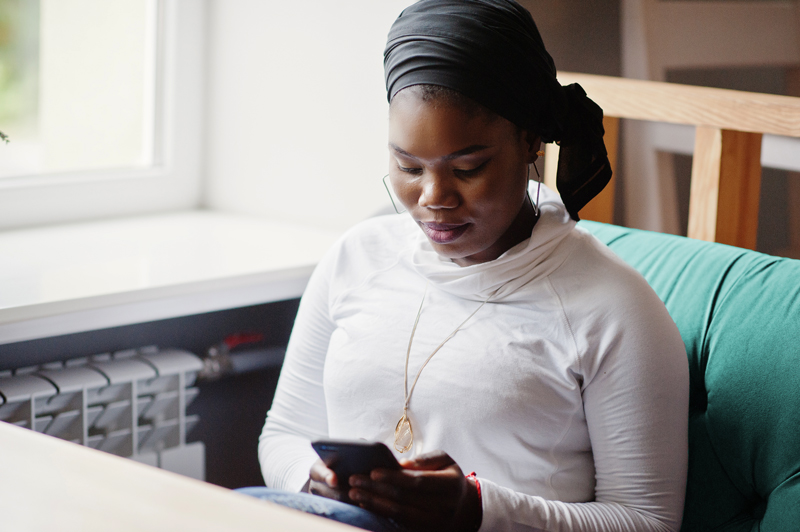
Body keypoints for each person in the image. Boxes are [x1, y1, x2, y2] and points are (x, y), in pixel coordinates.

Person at [247, 1, 689, 531]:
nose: (434, 198)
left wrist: (479, 510)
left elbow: (649, 521)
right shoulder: (354, 258)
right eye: (408, 166)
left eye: (468, 168)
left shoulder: (613, 309)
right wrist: (310, 478)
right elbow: (284, 434)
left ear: (529, 140)